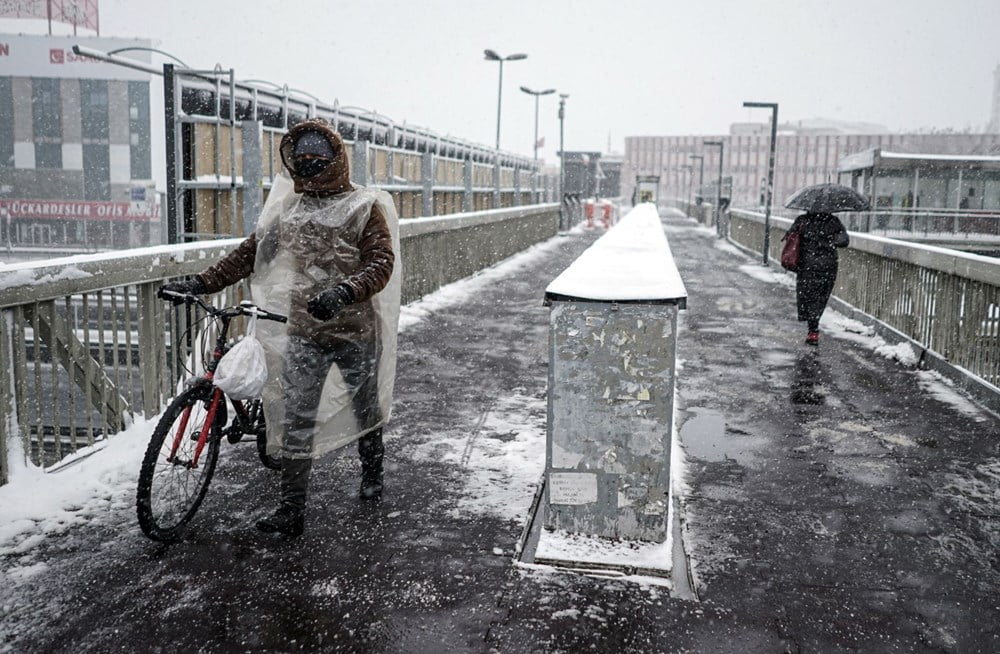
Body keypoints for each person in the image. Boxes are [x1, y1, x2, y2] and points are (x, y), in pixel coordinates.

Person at [159, 118, 400, 537]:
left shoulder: (364, 207)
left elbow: (380, 263)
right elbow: (249, 255)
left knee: (365, 408)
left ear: (334, 160)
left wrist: (344, 292)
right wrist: (202, 282)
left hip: (357, 331)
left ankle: (372, 470)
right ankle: (291, 511)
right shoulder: (291, 210)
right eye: (301, 158)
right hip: (306, 329)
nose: (308, 166)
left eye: (317, 159)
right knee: (296, 418)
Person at [786, 211, 848, 345]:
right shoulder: (833, 221)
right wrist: (830, 240)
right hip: (828, 265)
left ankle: (812, 327)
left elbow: (790, 236)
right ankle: (814, 326)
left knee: (807, 295)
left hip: (807, 264)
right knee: (821, 295)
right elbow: (844, 241)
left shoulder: (802, 220)